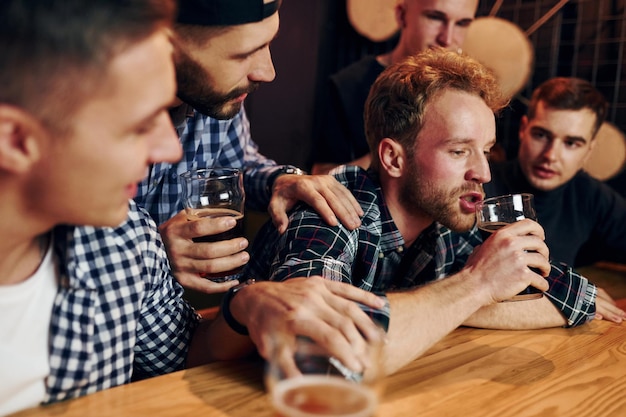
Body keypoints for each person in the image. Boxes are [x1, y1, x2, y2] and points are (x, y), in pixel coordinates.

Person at [0, 1, 385, 413]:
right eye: (139, 125)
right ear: (17, 140)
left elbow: (182, 355)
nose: (170, 148)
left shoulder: (125, 241)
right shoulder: (133, 238)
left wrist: (245, 305)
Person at [205, 50, 621, 376]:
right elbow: (320, 358)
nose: (483, 172)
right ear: (393, 158)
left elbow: (571, 295)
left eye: (486, 150)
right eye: (459, 151)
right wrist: (474, 286)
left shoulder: (447, 220)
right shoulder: (331, 213)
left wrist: (462, 304)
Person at [135, 0, 365, 295]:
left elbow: (237, 164)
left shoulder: (218, 93)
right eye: (244, 54)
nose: (267, 72)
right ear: (166, 45)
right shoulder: (82, 119)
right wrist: (150, 250)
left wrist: (280, 181)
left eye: (268, 44)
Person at [311, 0, 479, 175]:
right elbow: (321, 177)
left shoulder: (470, 91)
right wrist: (401, 147)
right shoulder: (350, 86)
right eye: (435, 18)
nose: (447, 38)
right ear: (401, 15)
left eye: (462, 23)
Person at [485, 77, 626, 267]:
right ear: (523, 129)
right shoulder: (482, 183)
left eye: (571, 143)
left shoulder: (590, 195)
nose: (550, 155)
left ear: (588, 151)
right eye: (541, 135)